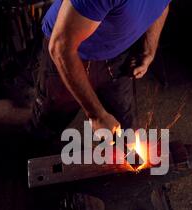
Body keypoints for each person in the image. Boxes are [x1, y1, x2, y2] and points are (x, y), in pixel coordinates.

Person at [30, 0, 170, 144]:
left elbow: (162, 6)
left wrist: (149, 50)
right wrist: (96, 115)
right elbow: (61, 48)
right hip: (70, 56)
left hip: (117, 55)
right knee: (47, 126)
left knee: (125, 133)